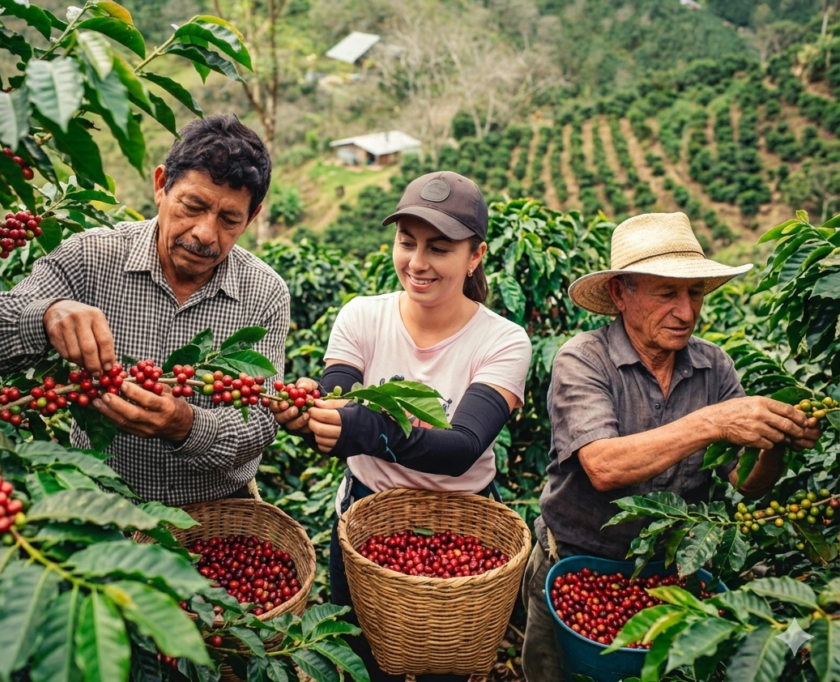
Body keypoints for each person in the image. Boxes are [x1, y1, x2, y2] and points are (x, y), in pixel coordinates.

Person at [520, 212, 822, 682]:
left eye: (695, 293)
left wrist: (774, 442)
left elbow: (746, 482)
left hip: (667, 583)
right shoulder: (583, 359)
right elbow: (602, 465)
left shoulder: (714, 367)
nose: (686, 312)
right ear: (622, 293)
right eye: (667, 294)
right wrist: (714, 422)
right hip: (573, 568)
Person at [273, 171, 532, 681]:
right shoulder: (362, 318)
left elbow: (461, 447)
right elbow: (339, 411)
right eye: (406, 243)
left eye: (439, 248)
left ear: (475, 255)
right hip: (366, 516)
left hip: (463, 525)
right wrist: (306, 417)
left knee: (447, 668)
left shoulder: (503, 341)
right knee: (366, 664)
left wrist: (361, 427)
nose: (417, 263)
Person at [0, 114, 290, 506]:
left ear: (251, 218)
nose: (205, 233)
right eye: (193, 205)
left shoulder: (265, 292)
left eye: (229, 219)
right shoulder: (89, 257)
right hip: (103, 507)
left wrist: (186, 425)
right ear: (160, 186)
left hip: (217, 510)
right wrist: (45, 316)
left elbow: (260, 421)